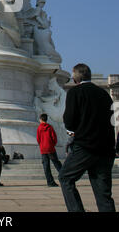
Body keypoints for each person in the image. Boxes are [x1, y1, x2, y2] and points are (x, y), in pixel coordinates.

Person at [58, 63, 116, 212]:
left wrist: (72, 132)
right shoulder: (104, 94)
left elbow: (69, 120)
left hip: (85, 147)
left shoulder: (75, 92)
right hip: (106, 149)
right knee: (103, 194)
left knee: (65, 178)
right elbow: (112, 120)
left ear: (75, 78)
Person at [36, 113, 62, 187]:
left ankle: (50, 182)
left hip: (43, 149)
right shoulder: (50, 127)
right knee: (57, 163)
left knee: (46, 166)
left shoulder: (39, 128)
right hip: (50, 148)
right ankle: (64, 177)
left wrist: (41, 145)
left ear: (41, 119)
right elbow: (54, 138)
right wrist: (51, 145)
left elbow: (38, 139)